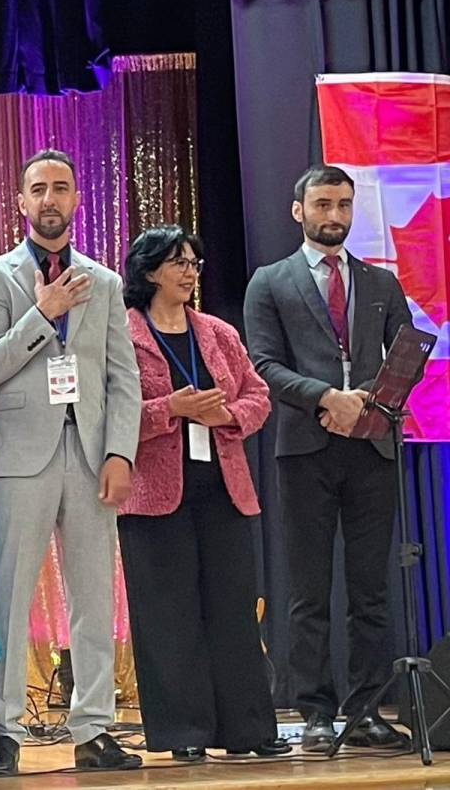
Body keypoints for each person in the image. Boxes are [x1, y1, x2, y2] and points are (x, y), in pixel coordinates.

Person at [0, 149, 142, 773]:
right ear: (20, 201)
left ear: (76, 199)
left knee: (94, 597)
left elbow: (124, 379)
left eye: (61, 187)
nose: (49, 198)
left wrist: (120, 452)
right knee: (9, 595)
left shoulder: (106, 281)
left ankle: (93, 728)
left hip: (92, 455)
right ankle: (2, 729)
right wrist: (43, 313)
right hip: (22, 456)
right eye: (38, 188)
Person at [244, 165, 412, 752]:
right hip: (305, 450)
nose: (334, 215)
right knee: (308, 593)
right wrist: (325, 398)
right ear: (299, 210)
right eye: (322, 204)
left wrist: (364, 400)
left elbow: (407, 356)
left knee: (370, 591)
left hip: (372, 447)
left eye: (343, 204)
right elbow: (263, 365)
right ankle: (315, 711)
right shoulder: (270, 281)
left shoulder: (381, 282)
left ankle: (365, 711)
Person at [119, 225, 286, 762]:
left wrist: (227, 416)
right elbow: (108, 413)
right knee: (168, 615)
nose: (190, 272)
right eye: (178, 262)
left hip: (223, 489)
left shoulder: (217, 331)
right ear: (149, 271)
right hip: (154, 494)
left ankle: (248, 729)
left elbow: (258, 394)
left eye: (194, 262)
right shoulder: (121, 334)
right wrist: (170, 409)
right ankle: (182, 731)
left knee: (234, 610)